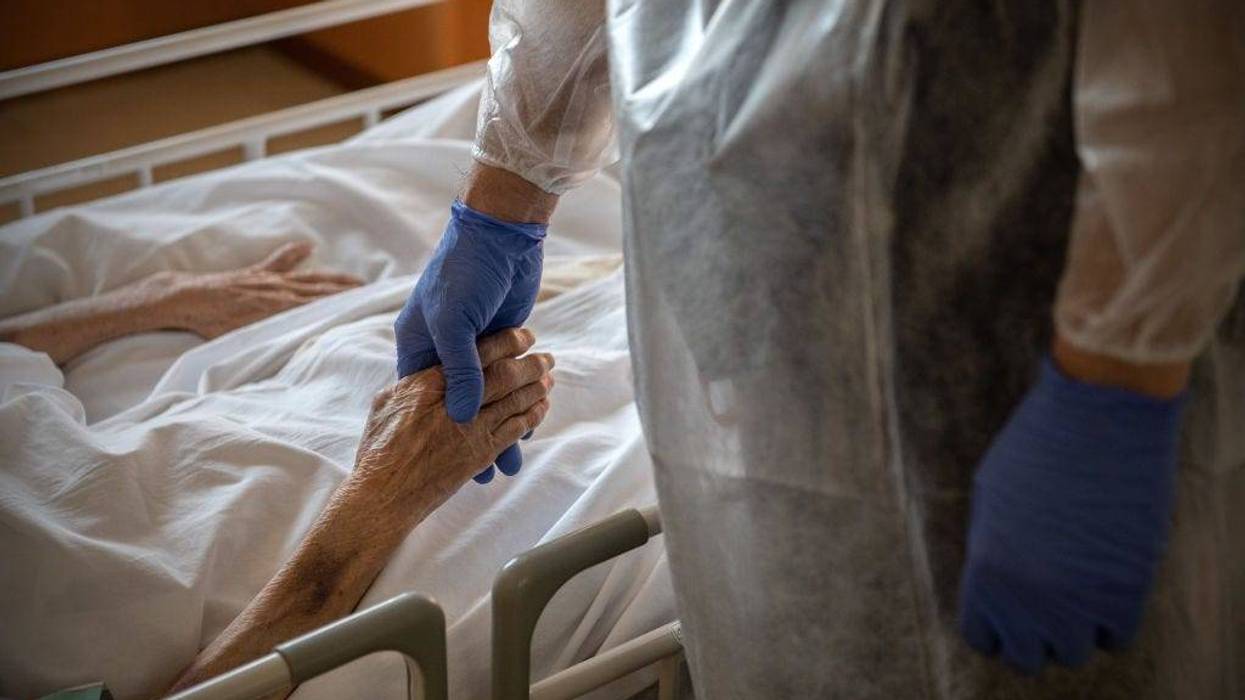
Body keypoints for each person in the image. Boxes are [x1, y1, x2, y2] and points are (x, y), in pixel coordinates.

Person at [394, 0, 1244, 697]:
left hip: (1036, 264)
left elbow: (1190, 65)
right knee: (796, 614)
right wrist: (504, 197)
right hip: (732, 233)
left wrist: (1116, 378)